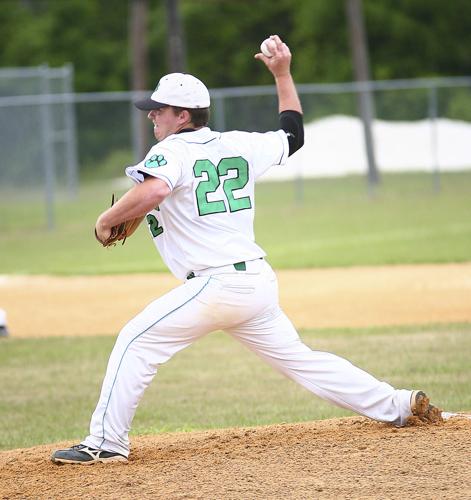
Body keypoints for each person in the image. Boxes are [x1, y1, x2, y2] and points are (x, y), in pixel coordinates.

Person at [52, 35, 441, 465]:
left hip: (216, 283)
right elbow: (293, 135)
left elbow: (156, 189)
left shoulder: (170, 151)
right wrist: (282, 74)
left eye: (158, 111)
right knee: (302, 361)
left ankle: (107, 444)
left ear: (182, 116)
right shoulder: (239, 143)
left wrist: (105, 221)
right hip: (254, 282)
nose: (152, 118)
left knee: (135, 342)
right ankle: (400, 405)